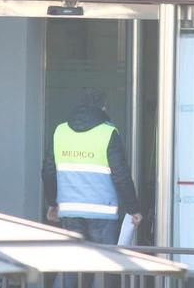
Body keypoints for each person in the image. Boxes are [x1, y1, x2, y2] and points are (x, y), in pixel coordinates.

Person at [42, 88, 142, 288]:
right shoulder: (108, 133)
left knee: (70, 264)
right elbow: (121, 175)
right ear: (103, 108)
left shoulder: (60, 131)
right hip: (103, 213)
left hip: (70, 211)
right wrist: (133, 209)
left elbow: (47, 171)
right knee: (104, 267)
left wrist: (53, 203)